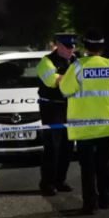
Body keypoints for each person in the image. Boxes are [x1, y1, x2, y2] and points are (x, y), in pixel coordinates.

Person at [58, 28, 109, 214]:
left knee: (87, 166)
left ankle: (89, 203)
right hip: (106, 125)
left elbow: (65, 90)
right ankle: (105, 199)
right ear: (101, 47)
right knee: (103, 163)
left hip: (84, 128)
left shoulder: (76, 67)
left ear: (85, 46)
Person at [35, 32, 79, 196]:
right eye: (67, 47)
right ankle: (46, 183)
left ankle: (60, 180)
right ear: (58, 46)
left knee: (67, 147)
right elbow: (53, 81)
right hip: (51, 109)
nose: (70, 50)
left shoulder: (75, 60)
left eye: (72, 47)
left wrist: (68, 78)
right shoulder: (46, 62)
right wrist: (74, 78)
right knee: (52, 147)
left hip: (69, 108)